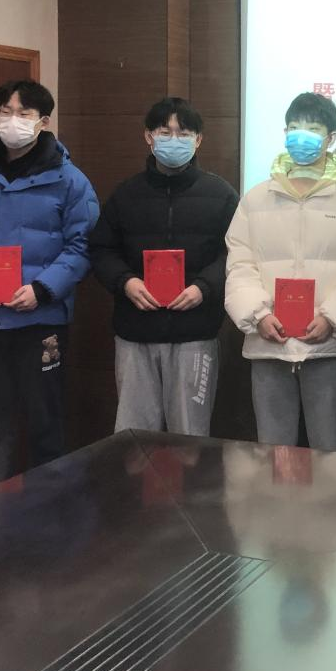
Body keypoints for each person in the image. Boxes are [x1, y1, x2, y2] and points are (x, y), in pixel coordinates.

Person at [0, 79, 99, 485]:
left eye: (23, 113)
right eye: (4, 112)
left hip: (41, 321)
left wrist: (43, 289)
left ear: (44, 121)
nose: (12, 121)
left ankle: (48, 510)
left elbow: (83, 245)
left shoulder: (70, 180)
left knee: (45, 423)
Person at [224, 92, 336, 452]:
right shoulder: (255, 199)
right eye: (294, 127)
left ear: (331, 138)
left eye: (312, 129)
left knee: (330, 452)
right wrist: (258, 315)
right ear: (284, 133)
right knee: (273, 452)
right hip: (269, 341)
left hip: (328, 344)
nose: (302, 136)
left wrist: (332, 318)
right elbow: (240, 262)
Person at [88, 97, 238, 435]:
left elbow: (235, 254)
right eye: (164, 132)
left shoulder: (222, 195)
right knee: (134, 437)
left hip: (195, 333)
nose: (173, 140)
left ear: (198, 140)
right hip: (135, 332)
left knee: (190, 437)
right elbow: (101, 248)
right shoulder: (126, 194)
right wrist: (125, 281)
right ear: (148, 137)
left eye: (183, 133)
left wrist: (204, 287)